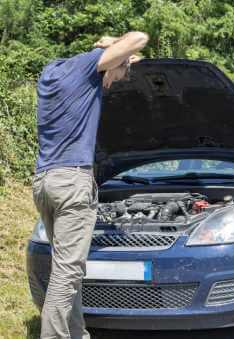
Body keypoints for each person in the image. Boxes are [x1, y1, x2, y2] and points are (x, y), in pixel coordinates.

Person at [31, 31, 149, 339]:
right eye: (120, 73)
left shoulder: (51, 73)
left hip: (45, 181)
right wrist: (112, 47)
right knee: (68, 273)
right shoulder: (87, 67)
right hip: (72, 182)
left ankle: (77, 333)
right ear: (105, 63)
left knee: (66, 269)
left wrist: (116, 60)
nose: (117, 81)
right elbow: (140, 37)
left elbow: (125, 61)